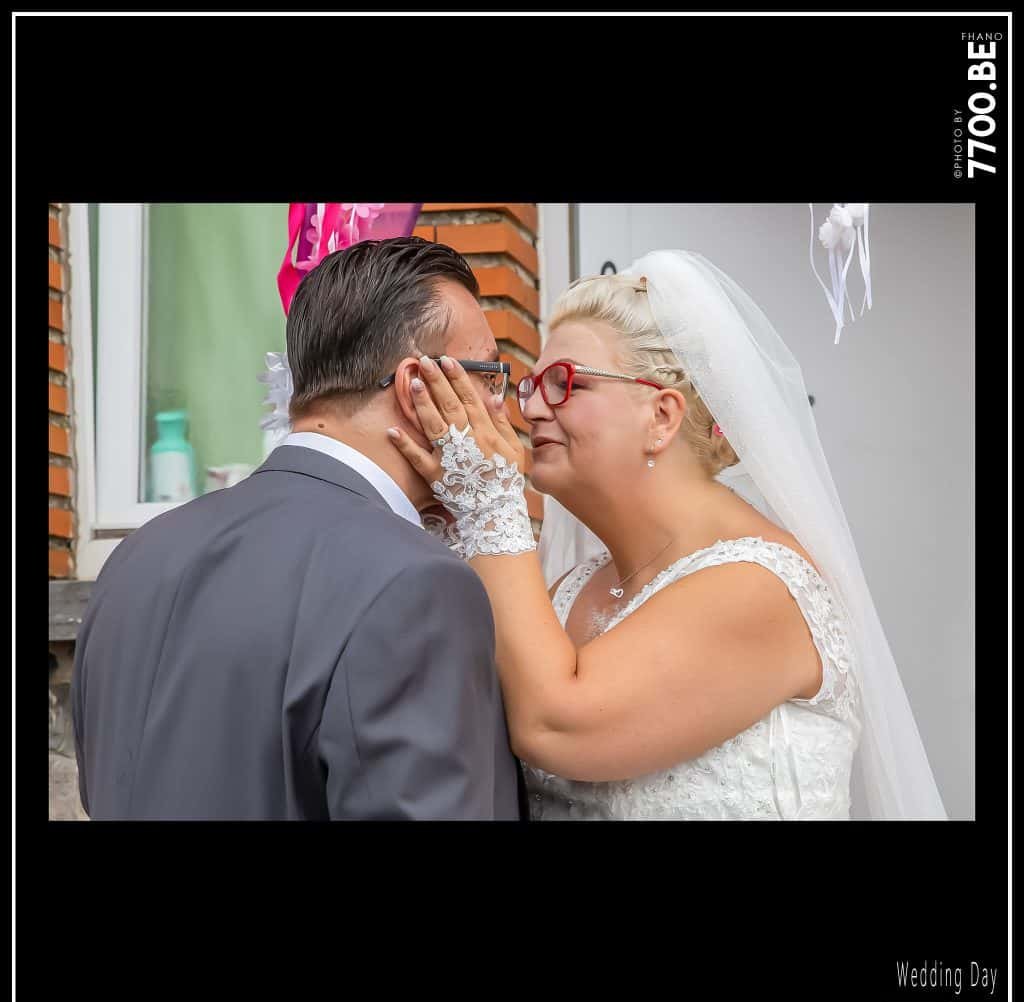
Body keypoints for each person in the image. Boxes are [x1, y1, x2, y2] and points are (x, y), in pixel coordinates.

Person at [387, 249, 947, 820]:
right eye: (530, 386)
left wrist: (491, 504)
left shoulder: (762, 588)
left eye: (563, 383)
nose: (529, 410)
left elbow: (557, 723)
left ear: (661, 416)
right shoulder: (564, 592)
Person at [71, 237, 525, 820]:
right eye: (488, 377)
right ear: (418, 388)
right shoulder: (417, 584)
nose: (500, 411)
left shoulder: (136, 556)